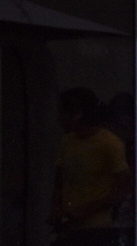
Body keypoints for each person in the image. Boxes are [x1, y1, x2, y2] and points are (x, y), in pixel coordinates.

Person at [52, 87, 130, 231]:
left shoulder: (110, 143)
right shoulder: (67, 141)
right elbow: (59, 180)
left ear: (77, 115)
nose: (59, 119)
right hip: (68, 225)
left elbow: (122, 189)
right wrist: (57, 210)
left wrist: (86, 210)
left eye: (62, 113)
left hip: (97, 227)